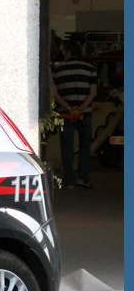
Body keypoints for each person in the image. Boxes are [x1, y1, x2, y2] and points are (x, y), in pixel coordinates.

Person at [50, 40, 97, 189]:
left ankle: (69, 180)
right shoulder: (90, 69)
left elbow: (54, 94)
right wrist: (81, 108)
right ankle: (82, 178)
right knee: (84, 146)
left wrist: (70, 108)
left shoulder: (58, 70)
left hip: (66, 114)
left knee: (67, 146)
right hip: (85, 113)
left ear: (69, 52)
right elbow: (93, 92)